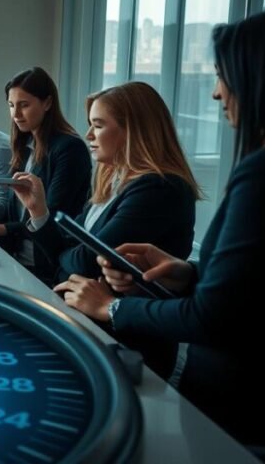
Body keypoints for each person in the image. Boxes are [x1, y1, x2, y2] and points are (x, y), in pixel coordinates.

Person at [57, 0, 265, 450]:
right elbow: (263, 290)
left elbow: (214, 317)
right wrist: (189, 274)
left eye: (224, 76)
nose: (216, 93)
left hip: (241, 408)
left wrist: (111, 308)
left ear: (262, 77)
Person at [12, 81, 200, 375]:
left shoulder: (159, 188)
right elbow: (71, 250)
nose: (88, 134)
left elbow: (85, 263)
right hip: (89, 324)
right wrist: (38, 211)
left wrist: (70, 255)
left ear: (133, 131)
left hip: (128, 345)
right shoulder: (113, 182)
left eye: (98, 125)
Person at [0, 67, 92, 283]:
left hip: (48, 265)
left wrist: (3, 229)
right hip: (18, 259)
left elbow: (51, 213)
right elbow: (16, 210)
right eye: (11, 105)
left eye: (24, 105)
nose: (15, 114)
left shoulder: (70, 148)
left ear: (47, 103)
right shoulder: (25, 146)